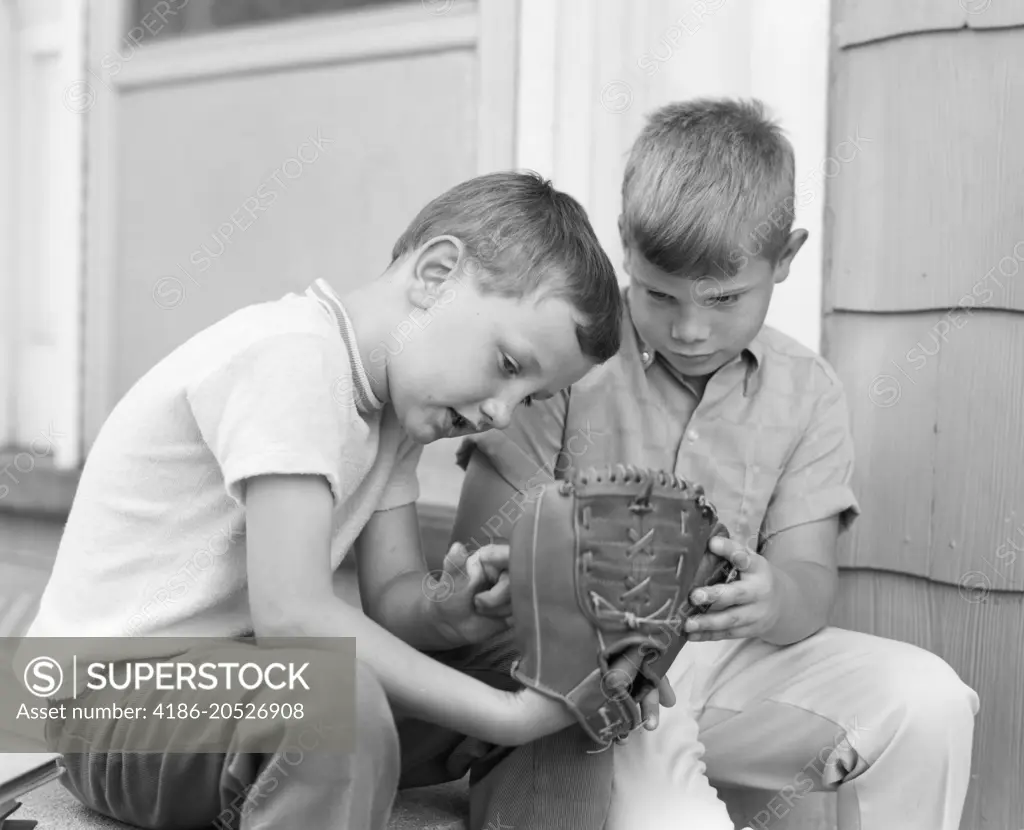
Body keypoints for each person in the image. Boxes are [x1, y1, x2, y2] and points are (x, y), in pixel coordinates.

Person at [19, 171, 630, 830]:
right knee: (337, 703)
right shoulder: (292, 359)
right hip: (109, 702)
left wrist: (449, 614)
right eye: (509, 366)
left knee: (564, 676)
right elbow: (295, 616)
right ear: (436, 272)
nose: (501, 413)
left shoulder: (395, 413)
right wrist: (504, 721)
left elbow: (393, 600)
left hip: (239, 685)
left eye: (529, 399)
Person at [441, 99, 980, 830]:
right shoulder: (565, 357)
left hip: (728, 663)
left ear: (785, 258)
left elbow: (809, 585)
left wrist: (773, 597)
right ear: (624, 242)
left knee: (931, 699)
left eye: (725, 298)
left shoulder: (806, 390)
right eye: (661, 295)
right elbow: (482, 545)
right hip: (590, 675)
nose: (691, 328)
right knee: (675, 818)